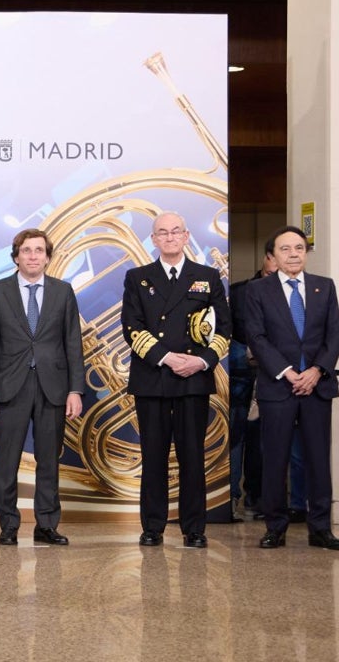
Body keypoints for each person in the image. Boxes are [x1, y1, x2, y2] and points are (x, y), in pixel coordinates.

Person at [122, 211, 230, 548]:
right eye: (162, 233)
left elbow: (224, 329)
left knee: (192, 457)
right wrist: (168, 358)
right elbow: (132, 327)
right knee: (153, 456)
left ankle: (194, 529)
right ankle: (152, 527)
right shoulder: (137, 277)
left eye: (176, 232)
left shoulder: (208, 276)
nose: (169, 237)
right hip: (153, 378)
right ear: (153, 240)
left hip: (193, 380)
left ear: (186, 236)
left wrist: (200, 361)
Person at [0, 228, 85, 546]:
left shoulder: (63, 292)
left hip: (53, 387)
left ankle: (47, 524)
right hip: (10, 387)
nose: (33, 256)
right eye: (27, 251)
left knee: (49, 459)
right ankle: (8, 524)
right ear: (16, 256)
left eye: (39, 250)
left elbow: (72, 344)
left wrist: (75, 390)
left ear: (48, 257)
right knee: (7, 459)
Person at [246, 225, 339, 550]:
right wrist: (287, 372)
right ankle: (276, 527)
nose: (294, 254)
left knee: (318, 458)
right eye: (285, 249)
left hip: (317, 386)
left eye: (299, 247)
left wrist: (316, 370)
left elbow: (333, 336)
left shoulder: (324, 288)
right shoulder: (258, 290)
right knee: (275, 458)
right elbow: (256, 338)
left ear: (306, 252)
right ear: (272, 255)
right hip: (277, 387)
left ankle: (321, 528)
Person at [228, 243, 276, 519]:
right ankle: (232, 495)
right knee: (235, 437)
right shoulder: (238, 292)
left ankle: (256, 498)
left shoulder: (289, 293)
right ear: (267, 257)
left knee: (264, 441)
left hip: (273, 377)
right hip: (239, 377)